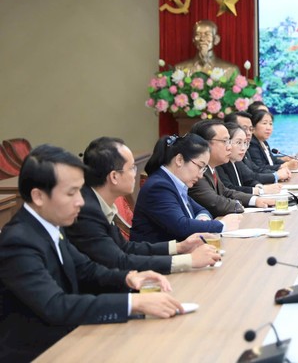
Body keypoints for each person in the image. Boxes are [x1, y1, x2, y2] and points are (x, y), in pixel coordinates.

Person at [0, 145, 183, 362]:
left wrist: (130, 278)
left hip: (71, 338)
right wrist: (132, 303)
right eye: (71, 193)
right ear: (38, 196)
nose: (80, 201)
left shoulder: (50, 224)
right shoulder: (18, 241)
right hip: (40, 352)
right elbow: (55, 306)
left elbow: (86, 269)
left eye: (80, 190)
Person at [65, 137, 220, 273]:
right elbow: (118, 261)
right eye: (132, 168)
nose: (136, 173)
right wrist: (189, 261)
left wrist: (180, 247)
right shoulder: (86, 210)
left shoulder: (99, 203)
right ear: (113, 176)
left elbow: (126, 248)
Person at [131, 134, 241, 243]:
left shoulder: (173, 183)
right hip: (159, 257)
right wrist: (222, 225)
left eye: (203, 169)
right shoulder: (159, 187)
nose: (200, 175)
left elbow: (200, 210)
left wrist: (202, 220)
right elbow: (181, 226)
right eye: (200, 166)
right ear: (179, 160)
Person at [188, 120, 278, 216]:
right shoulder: (196, 171)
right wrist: (238, 205)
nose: (229, 147)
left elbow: (226, 192)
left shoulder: (211, 168)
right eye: (225, 141)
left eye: (229, 141)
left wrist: (255, 200)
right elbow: (215, 203)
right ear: (204, 144)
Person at [224, 111, 285, 184]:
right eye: (244, 128)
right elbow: (250, 176)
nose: (249, 133)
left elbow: (254, 170)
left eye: (250, 129)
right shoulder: (227, 158)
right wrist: (276, 176)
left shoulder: (245, 148)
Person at [173, 20, 240, 79]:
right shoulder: (179, 69)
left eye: (207, 34)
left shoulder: (231, 70)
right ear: (193, 39)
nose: (202, 39)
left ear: (216, 39)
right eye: (198, 35)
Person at [218, 123, 272, 194]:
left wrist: (259, 187)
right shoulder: (220, 164)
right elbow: (230, 189)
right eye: (238, 142)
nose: (243, 148)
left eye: (245, 143)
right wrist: (260, 191)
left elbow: (248, 180)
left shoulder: (236, 161)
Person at [248, 108, 298, 174]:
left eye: (270, 124)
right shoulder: (252, 144)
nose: (268, 128)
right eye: (264, 123)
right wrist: (286, 165)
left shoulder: (263, 142)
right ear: (253, 126)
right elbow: (260, 168)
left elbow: (273, 161)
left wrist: (289, 161)